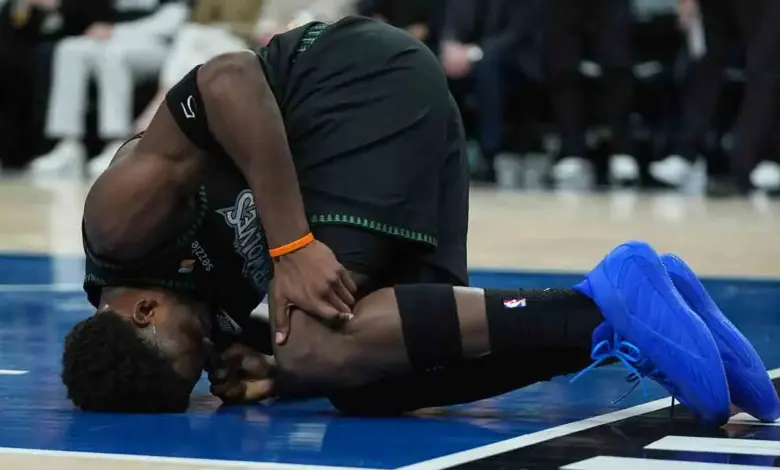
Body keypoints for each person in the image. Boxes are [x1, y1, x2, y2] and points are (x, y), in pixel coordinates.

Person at [62, 17, 779, 424]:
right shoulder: (179, 310)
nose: (209, 349)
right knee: (378, 382)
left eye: (190, 345)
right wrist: (282, 375)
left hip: (346, 80)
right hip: (392, 128)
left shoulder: (119, 226)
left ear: (144, 309)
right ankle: (618, 320)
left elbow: (228, 78)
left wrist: (292, 244)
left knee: (313, 346)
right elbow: (335, 341)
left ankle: (606, 303)